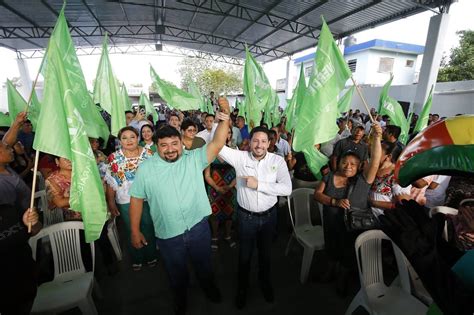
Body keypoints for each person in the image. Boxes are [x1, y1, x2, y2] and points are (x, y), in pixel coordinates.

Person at [128, 97, 231, 314]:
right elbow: (136, 198)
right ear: (156, 147)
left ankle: (210, 290)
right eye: (164, 145)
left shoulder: (194, 158)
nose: (170, 149)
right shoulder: (146, 169)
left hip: (198, 228)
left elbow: (218, 143)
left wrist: (225, 117)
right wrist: (135, 231)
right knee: (177, 274)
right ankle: (181, 300)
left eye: (174, 144)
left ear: (181, 145)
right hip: (168, 235)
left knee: (204, 266)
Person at [218, 126, 292, 309]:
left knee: (265, 255)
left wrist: (259, 184)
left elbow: (287, 189)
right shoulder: (240, 157)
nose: (259, 145)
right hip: (246, 218)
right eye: (255, 141)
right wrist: (223, 120)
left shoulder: (278, 161)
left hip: (269, 217)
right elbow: (218, 146)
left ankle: (265, 284)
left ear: (270, 143)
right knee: (244, 256)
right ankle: (242, 289)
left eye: (263, 141)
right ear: (249, 142)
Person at [314, 122, 382, 296]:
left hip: (352, 227)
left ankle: (342, 278)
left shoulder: (362, 181)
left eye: (353, 164)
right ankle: (330, 271)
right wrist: (334, 202)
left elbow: (375, 162)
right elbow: (317, 195)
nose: (348, 166)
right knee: (331, 248)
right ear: (340, 162)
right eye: (345, 162)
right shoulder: (329, 176)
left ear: (359, 166)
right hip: (331, 223)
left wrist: (377, 138)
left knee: (348, 253)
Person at [104, 126, 158, 271]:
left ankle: (151, 254)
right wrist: (111, 201)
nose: (129, 140)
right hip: (125, 199)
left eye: (132, 137)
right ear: (120, 141)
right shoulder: (114, 158)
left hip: (148, 199)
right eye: (124, 138)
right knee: (132, 229)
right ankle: (137, 257)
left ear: (138, 138)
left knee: (148, 226)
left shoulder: (149, 154)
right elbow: (110, 182)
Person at [0, 139, 42, 315]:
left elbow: (35, 229)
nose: (10, 149)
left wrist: (30, 222)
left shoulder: (10, 208)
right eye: (4, 147)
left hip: (27, 278)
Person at [205, 127, 237, 251]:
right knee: (214, 214)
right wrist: (217, 188)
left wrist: (230, 186)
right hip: (214, 188)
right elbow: (207, 175)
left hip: (231, 187)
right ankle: (214, 237)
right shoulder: (210, 151)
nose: (226, 134)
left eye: (228, 132)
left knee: (229, 212)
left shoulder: (234, 151)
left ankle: (228, 235)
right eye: (223, 132)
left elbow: (239, 173)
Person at [369, 141, 411, 217]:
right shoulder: (374, 168)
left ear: (388, 157)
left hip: (382, 220)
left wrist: (373, 202)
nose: (374, 152)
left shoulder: (397, 175)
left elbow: (403, 205)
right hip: (365, 216)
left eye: (378, 150)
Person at [45, 156, 82, 221]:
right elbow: (60, 203)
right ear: (57, 161)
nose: (69, 160)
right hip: (75, 220)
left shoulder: (83, 174)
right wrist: (85, 197)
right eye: (65, 158)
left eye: (71, 156)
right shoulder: (52, 180)